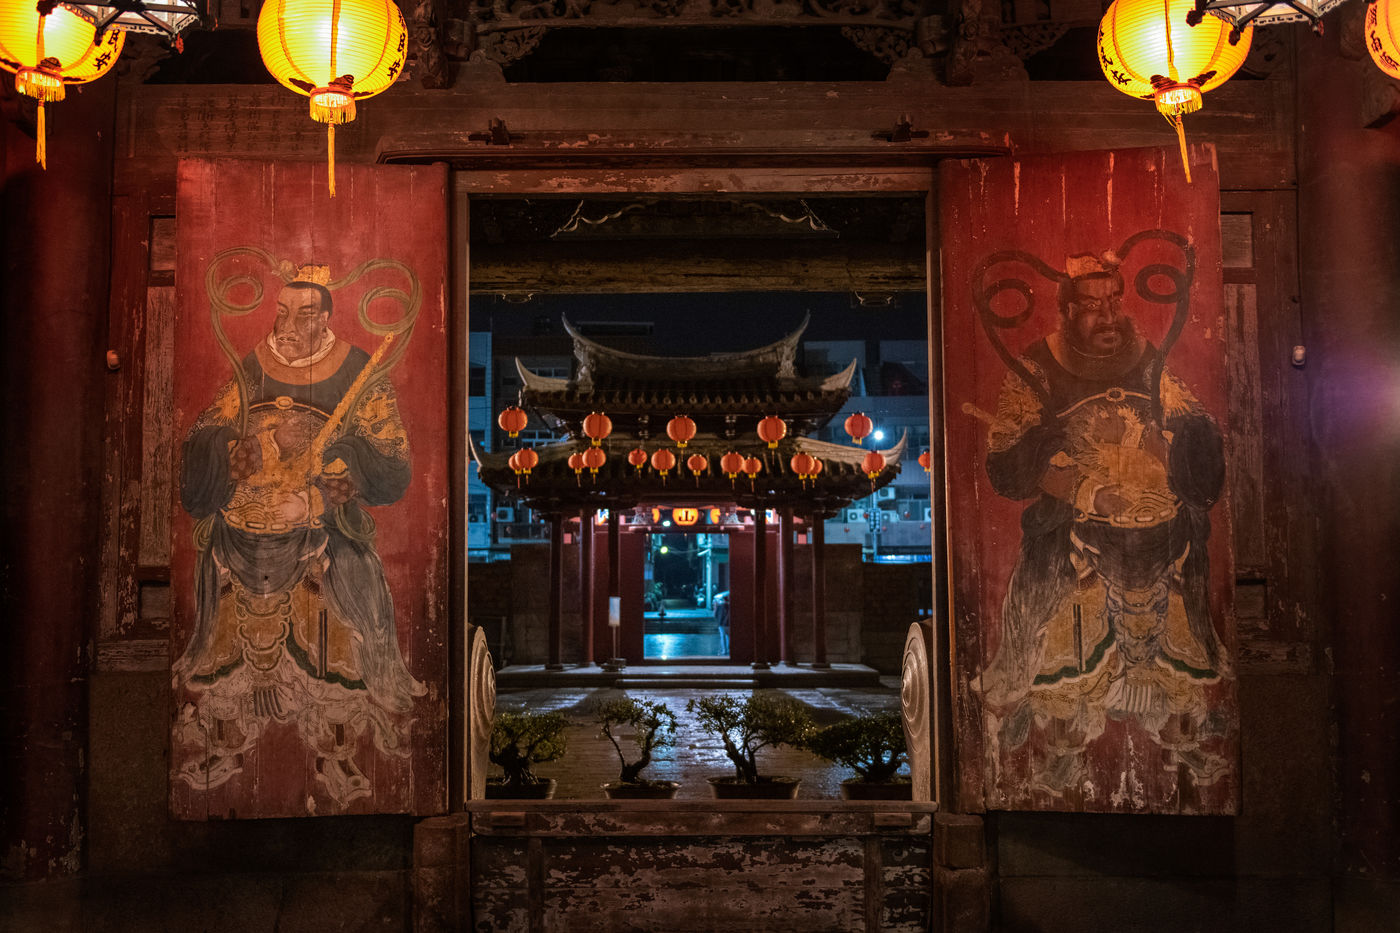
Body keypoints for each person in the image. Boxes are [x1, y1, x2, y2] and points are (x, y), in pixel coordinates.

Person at [976, 252, 1227, 797]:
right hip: (1078, 527)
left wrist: (1167, 449)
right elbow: (1008, 462)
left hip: (1158, 526)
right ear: (1067, 311)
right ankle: (1061, 746)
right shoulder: (1036, 370)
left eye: (1115, 301)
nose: (1109, 316)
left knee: (1179, 626)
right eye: (1092, 306)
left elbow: (1189, 424)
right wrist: (1085, 490)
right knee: (1062, 621)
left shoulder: (1149, 360)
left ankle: (1182, 736)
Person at [174, 266, 424, 807]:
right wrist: (241, 448)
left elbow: (390, 461)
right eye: (282, 312)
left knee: (333, 633)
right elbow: (206, 432)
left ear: (327, 317)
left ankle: (337, 754)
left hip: (315, 523)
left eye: (304, 314)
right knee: (225, 640)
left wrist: (328, 485)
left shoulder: (360, 371)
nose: (287, 326)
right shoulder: (253, 364)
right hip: (246, 520)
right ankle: (225, 743)